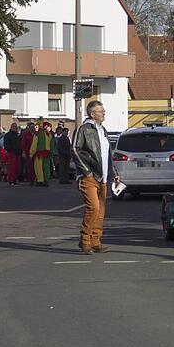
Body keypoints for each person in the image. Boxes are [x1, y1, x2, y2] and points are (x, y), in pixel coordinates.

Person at [71, 100, 119, 254]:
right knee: (94, 207)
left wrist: (114, 173)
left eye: (103, 110)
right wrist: (87, 171)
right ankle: (85, 240)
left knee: (101, 211)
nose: (104, 113)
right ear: (92, 114)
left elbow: (107, 155)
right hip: (89, 176)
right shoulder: (84, 129)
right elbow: (75, 149)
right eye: (100, 111)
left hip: (103, 176)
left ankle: (96, 241)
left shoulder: (102, 130)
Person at [30, 121, 54, 186]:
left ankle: (40, 180)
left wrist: (31, 153)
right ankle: (46, 180)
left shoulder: (37, 134)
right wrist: (51, 154)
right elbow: (52, 146)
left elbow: (34, 145)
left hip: (39, 154)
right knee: (46, 167)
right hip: (47, 154)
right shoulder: (50, 135)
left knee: (39, 167)